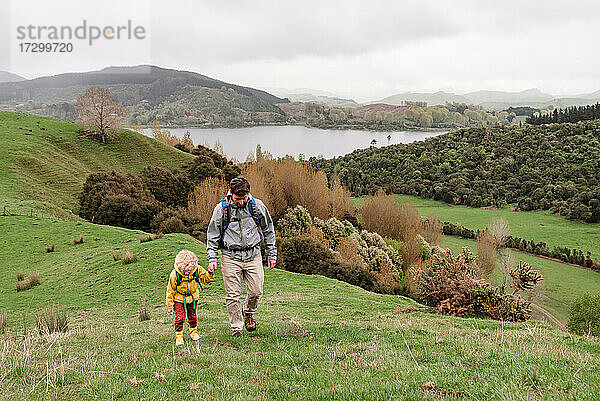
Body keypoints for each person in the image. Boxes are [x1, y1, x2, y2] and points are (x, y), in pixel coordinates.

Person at [206, 176, 277, 337]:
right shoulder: (222, 209)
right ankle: (236, 328)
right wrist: (212, 259)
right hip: (230, 256)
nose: (241, 202)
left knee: (256, 291)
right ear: (230, 193)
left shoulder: (257, 206)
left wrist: (271, 254)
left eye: (244, 198)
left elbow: (268, 230)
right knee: (233, 295)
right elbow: (212, 235)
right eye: (238, 199)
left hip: (253, 255)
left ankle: (249, 312)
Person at [166, 249, 214, 346]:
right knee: (180, 318)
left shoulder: (197, 269)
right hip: (179, 299)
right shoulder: (174, 275)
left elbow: (206, 279)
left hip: (193, 298)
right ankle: (179, 336)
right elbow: (170, 290)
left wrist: (210, 273)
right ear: (181, 267)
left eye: (190, 271)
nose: (188, 273)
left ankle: (193, 333)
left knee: (192, 316)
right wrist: (170, 305)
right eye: (186, 271)